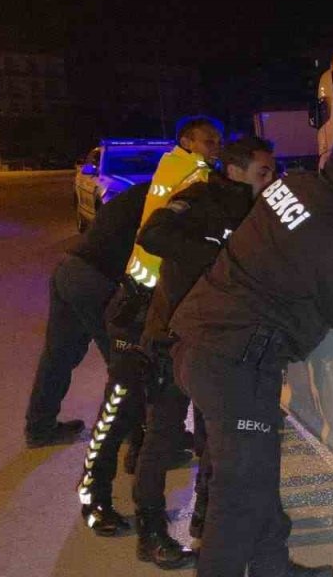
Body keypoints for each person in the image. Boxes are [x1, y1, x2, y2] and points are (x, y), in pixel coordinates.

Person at [169, 129, 333, 577]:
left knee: (257, 478)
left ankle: (274, 569)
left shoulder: (292, 186)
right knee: (238, 498)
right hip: (235, 364)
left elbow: (313, 239)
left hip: (205, 339)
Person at [130, 136, 276, 568]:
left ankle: (206, 519)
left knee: (217, 440)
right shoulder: (198, 198)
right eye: (263, 172)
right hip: (171, 337)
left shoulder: (261, 211)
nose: (271, 180)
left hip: (219, 343)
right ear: (234, 171)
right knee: (162, 436)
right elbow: (152, 233)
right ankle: (151, 530)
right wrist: (215, 253)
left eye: (273, 172)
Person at [76, 115, 223, 536]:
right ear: (187, 141)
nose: (213, 147)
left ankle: (129, 469)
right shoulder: (193, 174)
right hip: (140, 304)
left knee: (146, 402)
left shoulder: (174, 169)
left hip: (150, 303)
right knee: (120, 405)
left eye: (218, 142)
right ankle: (92, 496)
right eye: (207, 140)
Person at [23, 182, 148, 447]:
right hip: (96, 280)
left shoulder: (138, 192)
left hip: (70, 269)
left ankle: (40, 428)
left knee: (59, 354)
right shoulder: (162, 200)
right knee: (122, 359)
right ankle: (133, 435)